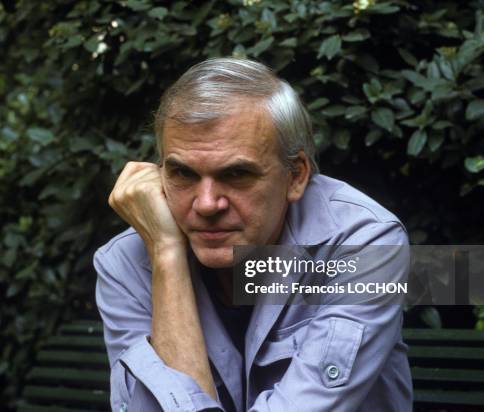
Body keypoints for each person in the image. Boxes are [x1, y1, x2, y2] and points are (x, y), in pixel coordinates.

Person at [94, 58, 412, 411]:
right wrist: (166, 254)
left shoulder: (367, 245)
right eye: (183, 173)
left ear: (295, 176)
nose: (207, 204)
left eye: (236, 174)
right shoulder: (128, 259)